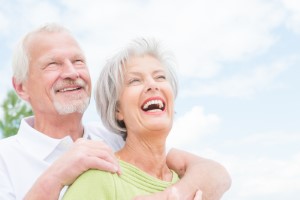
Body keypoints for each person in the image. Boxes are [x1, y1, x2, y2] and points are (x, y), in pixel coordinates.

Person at [0, 23, 231, 200]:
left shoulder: (116, 137)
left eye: (78, 61)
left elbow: (214, 172)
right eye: (53, 64)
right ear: (21, 87)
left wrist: (175, 195)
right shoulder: (5, 159)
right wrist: (54, 177)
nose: (71, 72)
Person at [62, 37, 212, 199]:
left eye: (160, 77)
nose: (152, 85)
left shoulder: (188, 184)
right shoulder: (99, 179)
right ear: (117, 109)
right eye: (135, 80)